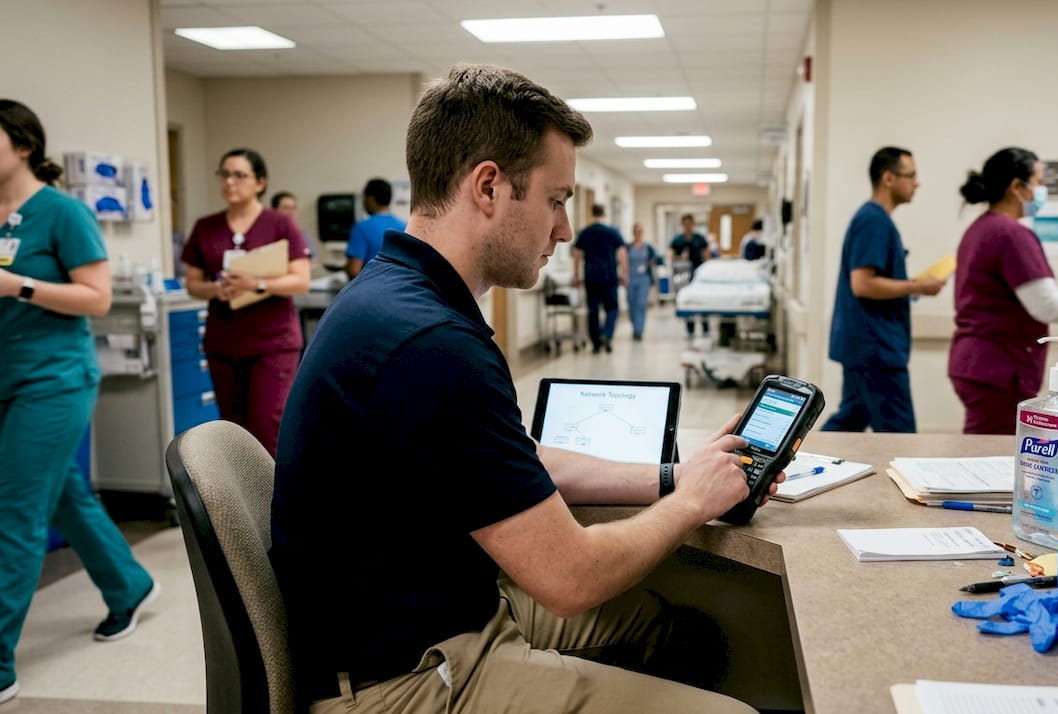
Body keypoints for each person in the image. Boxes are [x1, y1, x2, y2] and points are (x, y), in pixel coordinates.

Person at [271, 64, 776, 714]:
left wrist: (675, 475)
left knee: (679, 631)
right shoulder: (430, 343)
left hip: (443, 620)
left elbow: (517, 459)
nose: (564, 230)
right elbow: (572, 578)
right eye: (556, 200)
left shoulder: (391, 295)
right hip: (404, 680)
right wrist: (692, 503)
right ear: (489, 187)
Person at [0, 99, 158, 705]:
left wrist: (18, 284)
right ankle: (128, 584)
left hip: (53, 379)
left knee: (14, 510)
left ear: (22, 145)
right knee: (61, 492)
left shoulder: (62, 212)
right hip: (6, 376)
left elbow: (96, 298)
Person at [181, 148, 312, 456]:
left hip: (272, 343)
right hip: (224, 343)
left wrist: (258, 284)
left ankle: (274, 489)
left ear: (260, 183)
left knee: (267, 426)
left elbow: (301, 280)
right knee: (233, 430)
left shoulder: (280, 225)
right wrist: (216, 290)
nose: (230, 182)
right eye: (224, 175)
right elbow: (192, 284)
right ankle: (238, 490)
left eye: (239, 175)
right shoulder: (206, 227)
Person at [823, 146, 945, 433]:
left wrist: (913, 285)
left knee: (851, 419)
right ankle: (794, 454)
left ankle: (797, 455)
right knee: (899, 433)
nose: (917, 183)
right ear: (888, 178)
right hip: (876, 347)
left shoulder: (875, 220)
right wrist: (919, 286)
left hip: (867, 344)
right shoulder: (873, 221)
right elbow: (863, 284)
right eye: (911, 175)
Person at [950, 148, 1058, 434]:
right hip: (998, 367)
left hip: (978, 362)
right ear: (1016, 186)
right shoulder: (1010, 234)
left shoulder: (981, 228)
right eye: (1038, 182)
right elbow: (1048, 306)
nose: (1042, 190)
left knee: (983, 446)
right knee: (991, 453)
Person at [573, 203, 627, 353]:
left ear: (592, 213)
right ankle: (607, 335)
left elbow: (577, 255)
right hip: (609, 276)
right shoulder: (613, 232)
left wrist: (576, 275)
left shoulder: (585, 233)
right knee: (612, 308)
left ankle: (596, 342)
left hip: (591, 276)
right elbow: (622, 254)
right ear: (605, 213)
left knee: (593, 309)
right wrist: (624, 273)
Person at [345, 178, 406, 279]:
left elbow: (354, 270)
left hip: (370, 286)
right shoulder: (404, 226)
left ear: (371, 199)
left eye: (364, 198)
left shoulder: (362, 227)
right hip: (400, 285)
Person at [669, 214, 710, 338]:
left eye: (689, 223)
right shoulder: (677, 240)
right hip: (684, 274)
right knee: (689, 301)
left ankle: (705, 328)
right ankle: (690, 329)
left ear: (693, 224)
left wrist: (708, 270)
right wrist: (680, 257)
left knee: (703, 301)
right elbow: (670, 256)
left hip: (699, 274)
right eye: (685, 223)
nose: (687, 226)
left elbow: (706, 255)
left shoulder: (700, 239)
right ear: (682, 224)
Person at [270, 190, 323, 263]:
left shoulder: (301, 234)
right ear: (274, 210)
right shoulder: (266, 234)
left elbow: (312, 260)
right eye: (285, 208)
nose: (291, 212)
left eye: (293, 208)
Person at [626, 222, 657, 340]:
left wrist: (650, 264)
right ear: (633, 232)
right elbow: (623, 261)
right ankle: (634, 325)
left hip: (644, 279)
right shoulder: (628, 247)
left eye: (640, 231)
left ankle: (639, 330)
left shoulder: (648, 247)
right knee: (632, 304)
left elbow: (654, 260)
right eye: (636, 231)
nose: (638, 233)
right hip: (631, 278)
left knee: (641, 304)